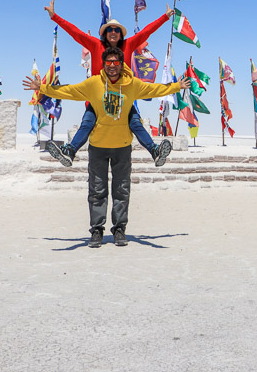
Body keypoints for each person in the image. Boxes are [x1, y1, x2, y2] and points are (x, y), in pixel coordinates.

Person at [23, 47, 191, 248]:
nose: (112, 66)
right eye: (108, 62)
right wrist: (42, 88)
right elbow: (69, 91)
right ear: (104, 64)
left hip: (122, 146)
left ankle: (119, 230)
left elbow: (154, 89)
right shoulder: (94, 84)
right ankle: (96, 231)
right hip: (98, 146)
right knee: (97, 190)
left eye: (116, 62)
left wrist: (175, 86)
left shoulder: (132, 85)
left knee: (121, 190)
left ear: (121, 64)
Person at [45, 0, 173, 168]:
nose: (113, 32)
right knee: (87, 122)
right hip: (99, 95)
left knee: (135, 122)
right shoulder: (95, 44)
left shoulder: (129, 44)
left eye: (117, 30)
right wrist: (55, 17)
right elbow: (75, 33)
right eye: (110, 29)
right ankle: (70, 152)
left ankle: (155, 152)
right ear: (105, 33)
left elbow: (146, 32)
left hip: (123, 95)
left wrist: (165, 17)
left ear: (121, 34)